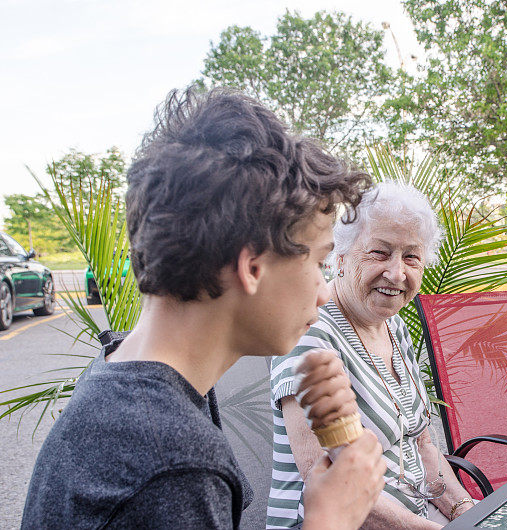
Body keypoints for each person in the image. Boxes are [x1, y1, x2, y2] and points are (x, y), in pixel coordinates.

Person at [22, 88, 386, 529]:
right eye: (318, 262)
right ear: (252, 266)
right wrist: (332, 519)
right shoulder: (175, 462)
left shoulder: (122, 374)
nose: (324, 291)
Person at [268, 181, 477, 529]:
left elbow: (422, 442)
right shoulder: (309, 334)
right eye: (380, 253)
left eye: (411, 256)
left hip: (418, 518)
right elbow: (326, 479)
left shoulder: (393, 327)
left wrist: (465, 511)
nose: (397, 273)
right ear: (341, 257)